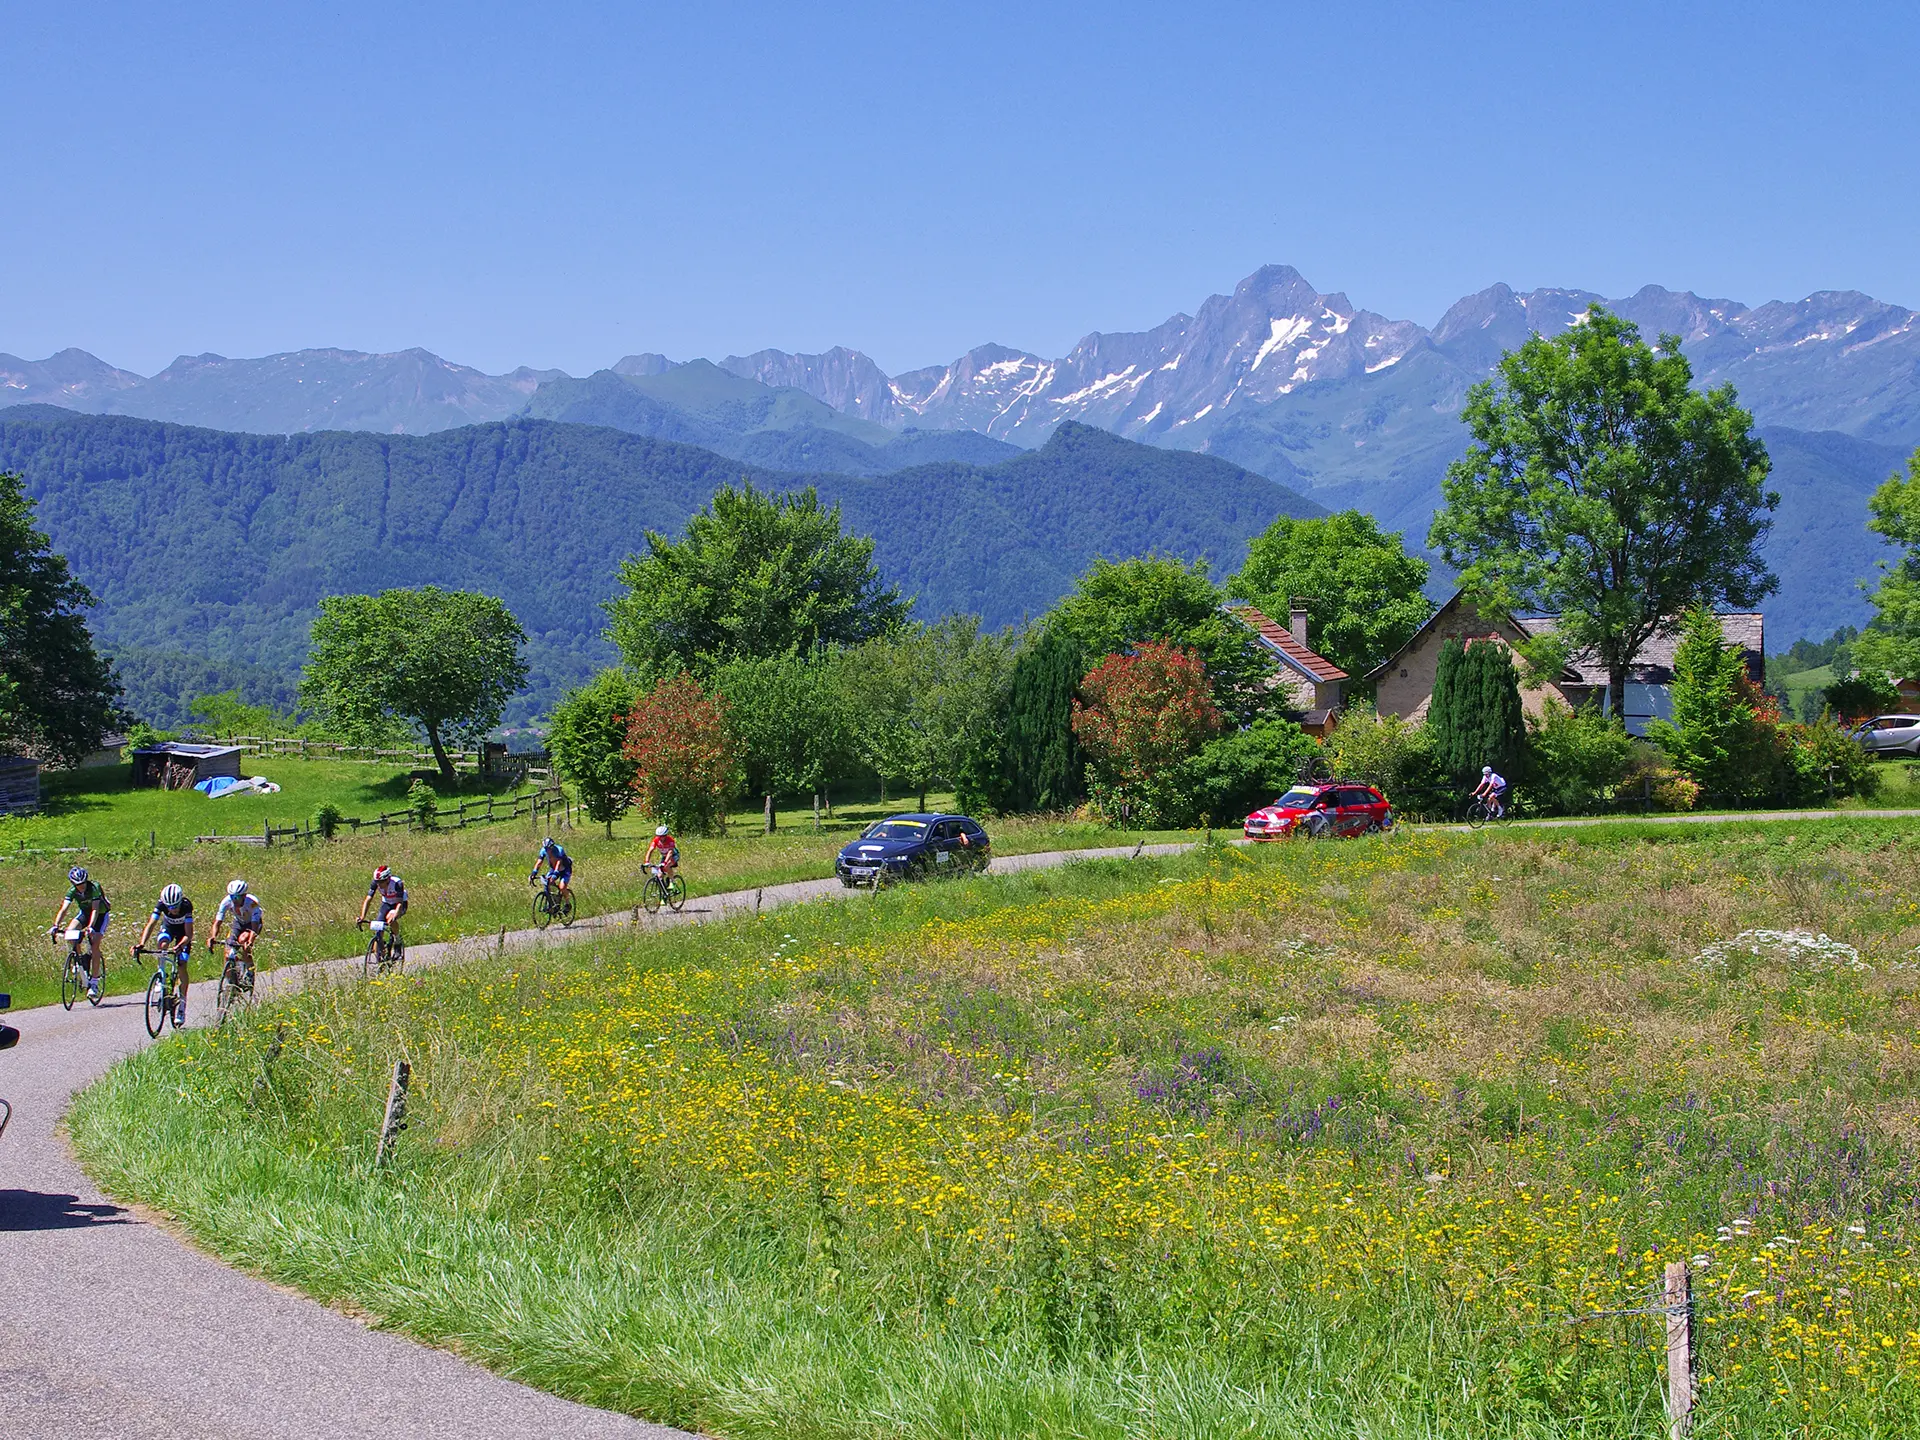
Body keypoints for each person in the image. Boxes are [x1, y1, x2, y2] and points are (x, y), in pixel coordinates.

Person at [132, 883, 195, 1025]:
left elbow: (189, 934)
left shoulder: (186, 906)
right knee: (163, 944)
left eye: (175, 906)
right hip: (168, 928)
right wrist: (141, 943)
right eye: (169, 907)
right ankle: (161, 975)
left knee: (182, 965)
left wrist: (180, 946)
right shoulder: (161, 904)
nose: (172, 910)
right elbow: (151, 924)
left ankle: (182, 1006)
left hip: (183, 934)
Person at [48, 865, 110, 1002]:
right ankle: (79, 961)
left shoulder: (94, 887)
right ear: (73, 884)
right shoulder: (72, 891)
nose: (81, 887)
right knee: (70, 933)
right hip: (84, 914)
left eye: (82, 884)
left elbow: (95, 910)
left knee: (94, 944)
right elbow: (64, 909)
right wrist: (55, 925)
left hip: (100, 916)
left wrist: (90, 927)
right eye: (77, 885)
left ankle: (94, 983)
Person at [209, 878, 264, 980]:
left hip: (252, 924)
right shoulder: (226, 902)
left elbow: (255, 924)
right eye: (232, 897)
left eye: (237, 897)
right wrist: (213, 936)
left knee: (243, 941)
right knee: (227, 953)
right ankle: (231, 984)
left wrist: (250, 941)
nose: (235, 900)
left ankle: (250, 972)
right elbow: (218, 922)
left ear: (244, 895)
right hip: (238, 923)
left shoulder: (252, 903)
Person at [357, 865, 408, 932]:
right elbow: (368, 900)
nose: (379, 884)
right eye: (377, 882)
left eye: (381, 882)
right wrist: (362, 916)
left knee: (390, 918)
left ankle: (397, 938)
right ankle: (378, 941)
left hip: (399, 904)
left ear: (388, 879)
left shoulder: (397, 883)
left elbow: (399, 903)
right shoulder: (376, 883)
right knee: (378, 926)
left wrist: (395, 915)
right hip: (386, 903)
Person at [529, 836, 572, 904]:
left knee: (562, 887)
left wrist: (555, 875)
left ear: (552, 847)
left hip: (565, 869)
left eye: (549, 848)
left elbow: (558, 863)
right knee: (547, 882)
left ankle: (567, 903)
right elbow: (539, 862)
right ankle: (553, 901)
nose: (547, 850)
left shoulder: (559, 850)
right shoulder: (543, 850)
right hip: (554, 868)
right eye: (546, 848)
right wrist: (534, 873)